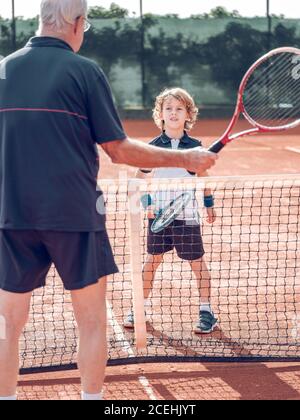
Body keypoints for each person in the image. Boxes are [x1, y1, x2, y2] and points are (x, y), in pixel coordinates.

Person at [0, 0, 217, 401]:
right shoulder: (84, 71)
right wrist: (187, 158)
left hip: (12, 216)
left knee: (7, 325)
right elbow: (118, 149)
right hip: (74, 216)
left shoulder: (4, 68)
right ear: (79, 23)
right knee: (92, 321)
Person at [124, 88, 218, 334]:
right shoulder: (152, 148)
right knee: (151, 262)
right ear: (160, 115)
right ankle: (140, 308)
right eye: (169, 108)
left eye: (179, 109)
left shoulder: (196, 148)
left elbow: (205, 178)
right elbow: (138, 180)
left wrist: (209, 203)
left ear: (188, 114)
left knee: (197, 264)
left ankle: (207, 311)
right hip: (160, 218)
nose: (174, 113)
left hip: (187, 218)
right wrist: (148, 205)